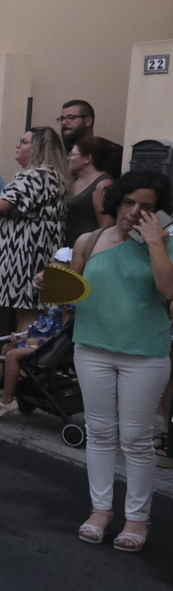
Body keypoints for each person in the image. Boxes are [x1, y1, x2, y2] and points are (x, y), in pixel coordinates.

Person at [54, 171, 173, 551]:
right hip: (92, 349)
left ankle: (138, 519)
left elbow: (168, 290)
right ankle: (100, 511)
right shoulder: (89, 240)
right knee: (101, 433)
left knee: (136, 440)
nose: (135, 211)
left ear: (159, 212)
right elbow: (72, 292)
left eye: (147, 206)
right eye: (128, 202)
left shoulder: (166, 243)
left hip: (145, 355)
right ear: (117, 200)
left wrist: (155, 244)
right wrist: (49, 284)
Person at [0, 126, 69, 336]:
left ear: (39, 148)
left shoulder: (39, 174)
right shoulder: (42, 174)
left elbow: (1, 205)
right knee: (24, 312)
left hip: (27, 251)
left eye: (24, 142)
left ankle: (23, 360)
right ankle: (16, 360)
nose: (18, 145)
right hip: (30, 249)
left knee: (28, 313)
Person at [64, 135, 118, 246]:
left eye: (72, 154)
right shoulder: (74, 180)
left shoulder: (103, 185)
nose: (68, 158)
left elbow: (106, 227)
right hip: (66, 248)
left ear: (87, 158)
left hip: (86, 248)